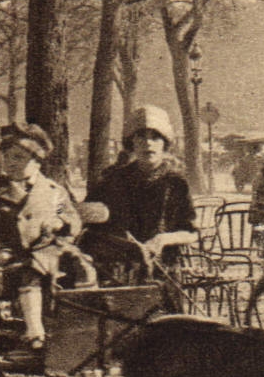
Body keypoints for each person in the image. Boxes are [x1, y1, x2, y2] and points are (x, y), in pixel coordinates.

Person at [0, 123, 85, 359]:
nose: (10, 163)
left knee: (84, 267)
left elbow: (72, 219)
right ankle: (35, 335)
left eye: (18, 158)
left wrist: (62, 224)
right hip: (14, 259)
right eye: (7, 157)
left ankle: (82, 332)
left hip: (52, 251)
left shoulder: (54, 191)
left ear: (37, 161)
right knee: (30, 273)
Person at [84, 105, 197, 274]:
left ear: (165, 144)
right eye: (141, 137)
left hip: (162, 267)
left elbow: (191, 232)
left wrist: (163, 239)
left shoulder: (176, 183)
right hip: (116, 269)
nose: (148, 143)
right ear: (132, 143)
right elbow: (88, 220)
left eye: (155, 138)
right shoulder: (113, 179)